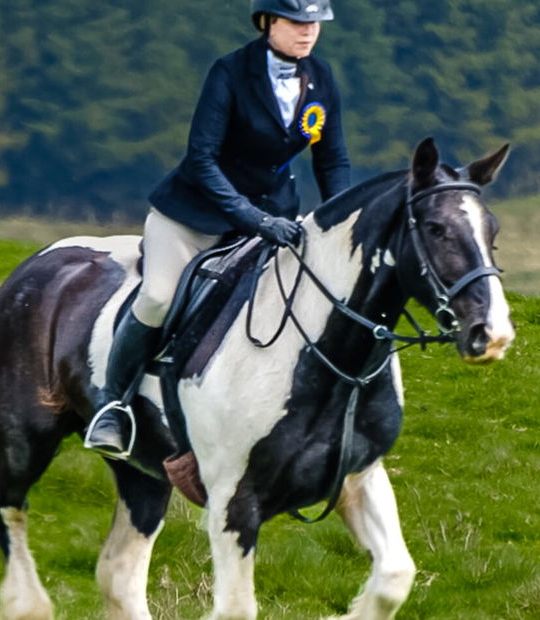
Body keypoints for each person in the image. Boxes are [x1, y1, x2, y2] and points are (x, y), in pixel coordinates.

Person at [84, 0, 352, 459]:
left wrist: (341, 221)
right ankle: (112, 406)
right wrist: (253, 218)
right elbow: (202, 159)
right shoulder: (229, 72)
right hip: (194, 218)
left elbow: (332, 160)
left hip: (271, 222)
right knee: (158, 298)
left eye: (314, 24)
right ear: (267, 22)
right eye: (296, 22)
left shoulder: (321, 77)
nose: (307, 32)